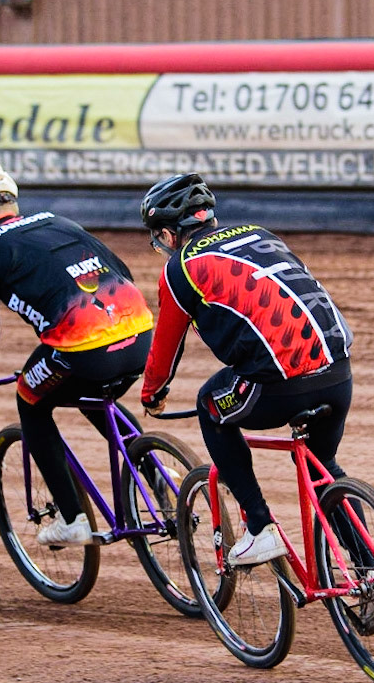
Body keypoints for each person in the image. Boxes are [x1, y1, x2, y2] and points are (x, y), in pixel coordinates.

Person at [137, 173, 354, 566]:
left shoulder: (181, 268)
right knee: (322, 464)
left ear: (169, 235)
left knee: (210, 406)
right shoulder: (260, 233)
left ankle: (259, 527)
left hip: (278, 384)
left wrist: (152, 393)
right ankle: (369, 569)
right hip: (338, 372)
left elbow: (165, 350)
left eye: (158, 240)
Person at [0, 163, 155, 546]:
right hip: (140, 332)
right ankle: (156, 474)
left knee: (29, 398)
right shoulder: (58, 221)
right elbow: (124, 270)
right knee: (93, 394)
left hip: (84, 350)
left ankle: (72, 518)